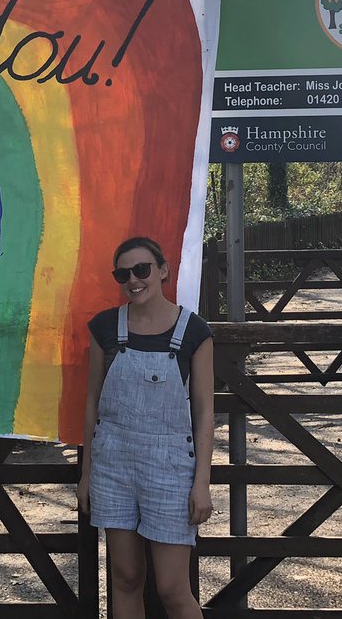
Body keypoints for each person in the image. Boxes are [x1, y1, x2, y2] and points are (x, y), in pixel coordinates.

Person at [77, 236, 214, 619]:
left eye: (142, 269)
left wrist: (201, 481)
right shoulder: (104, 327)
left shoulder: (194, 332)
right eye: (124, 273)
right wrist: (88, 474)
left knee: (172, 588)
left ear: (164, 270)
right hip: (113, 467)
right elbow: (92, 404)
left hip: (170, 469)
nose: (133, 280)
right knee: (125, 577)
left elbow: (205, 412)